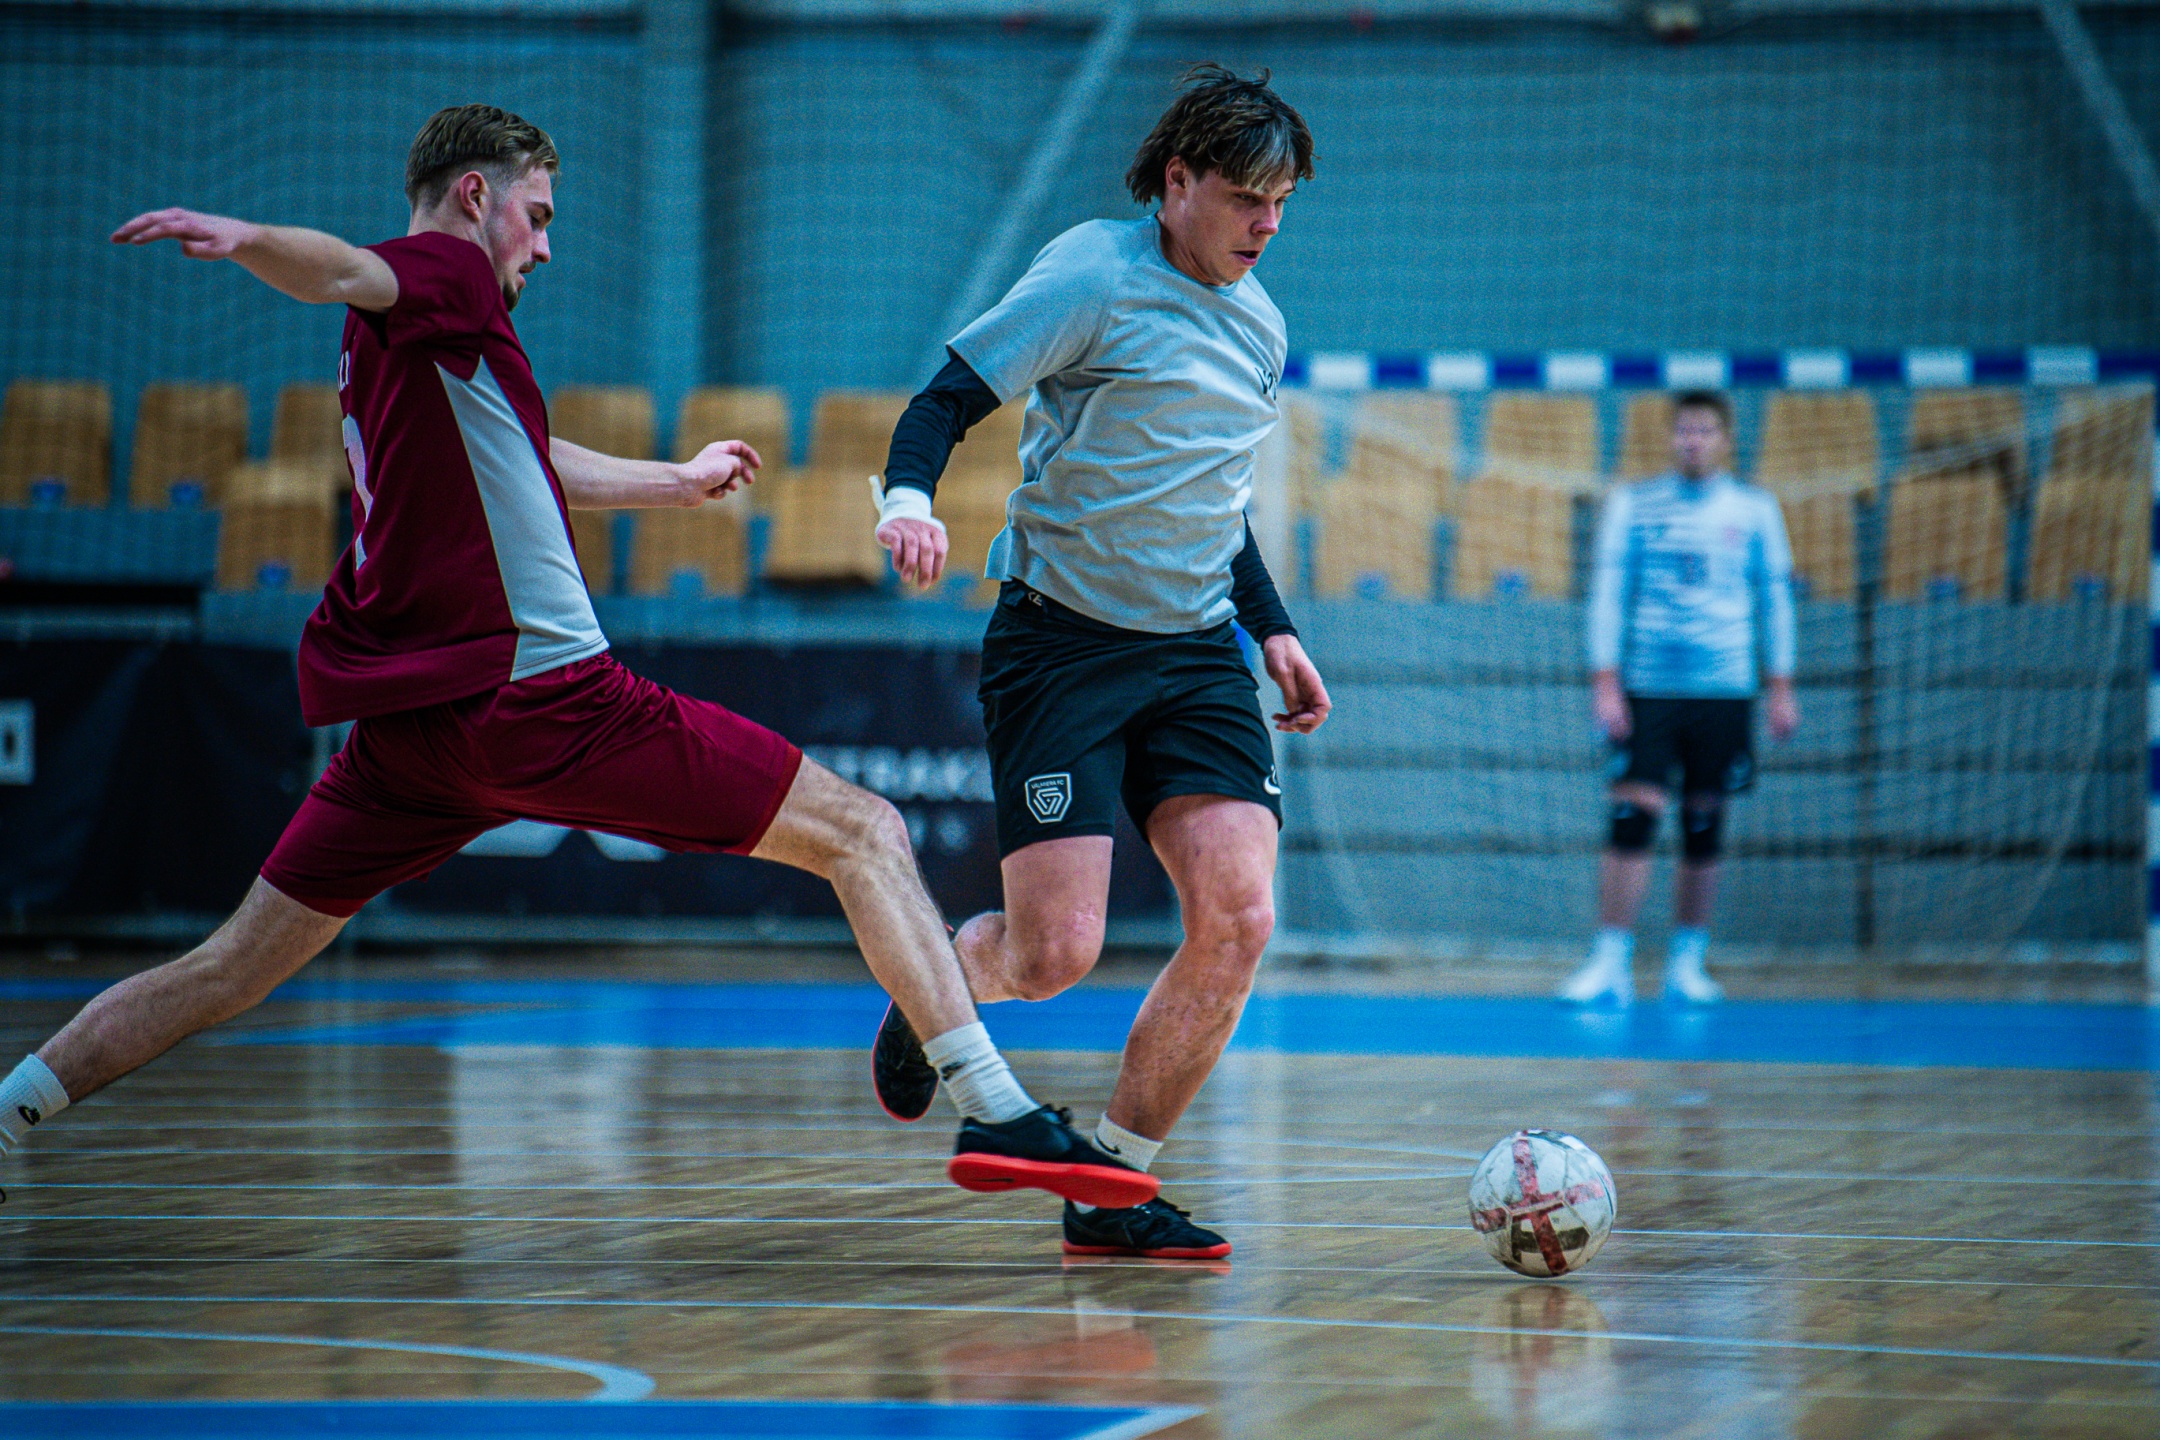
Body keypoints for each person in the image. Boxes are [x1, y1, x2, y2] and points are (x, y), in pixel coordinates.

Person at [0, 105, 1155, 1219]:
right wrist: (248, 237)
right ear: (474, 196)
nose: (544, 247)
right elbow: (344, 266)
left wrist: (675, 481)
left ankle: (11, 1111)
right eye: (538, 216)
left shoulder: (408, 348)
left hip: (411, 737)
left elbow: (525, 451)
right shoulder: (443, 274)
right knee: (865, 832)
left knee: (230, 967)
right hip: (543, 700)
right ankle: (996, 1111)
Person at [864, 65, 1332, 1261]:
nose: (1267, 226)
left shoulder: (1262, 323)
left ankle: (1112, 1188)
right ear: (1177, 183)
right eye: (1246, 198)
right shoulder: (1093, 275)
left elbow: (1214, 502)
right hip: (1063, 645)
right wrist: (907, 502)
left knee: (1240, 918)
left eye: (1281, 203)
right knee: (1052, 956)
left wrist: (1274, 626)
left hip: (1196, 654)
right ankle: (937, 987)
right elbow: (943, 401)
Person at [1560, 391, 1800, 1007]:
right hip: (1648, 687)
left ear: (1726, 440)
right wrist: (1605, 681)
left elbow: (1775, 600)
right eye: (1684, 430)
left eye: (1705, 430)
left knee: (1703, 821)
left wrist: (1780, 685)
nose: (1693, 441)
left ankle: (1687, 964)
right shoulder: (1635, 505)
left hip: (1724, 687)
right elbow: (1609, 596)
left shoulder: (1754, 509)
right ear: (1671, 438)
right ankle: (1609, 961)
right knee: (1632, 817)